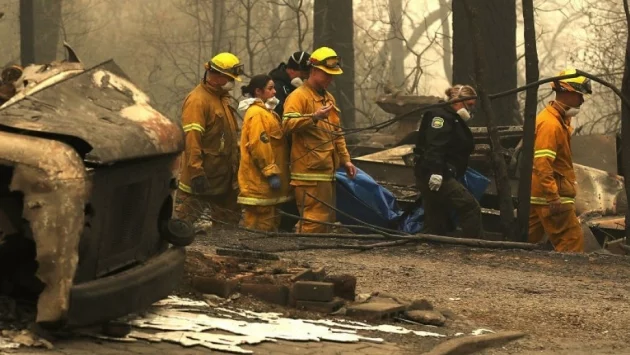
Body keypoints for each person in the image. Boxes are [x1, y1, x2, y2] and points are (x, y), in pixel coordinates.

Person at [282, 46, 357, 233]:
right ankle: (304, 257)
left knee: (325, 220)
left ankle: (315, 258)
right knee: (312, 221)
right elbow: (287, 125)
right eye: (326, 74)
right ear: (313, 70)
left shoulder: (328, 98)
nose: (330, 79)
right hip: (308, 174)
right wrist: (313, 117)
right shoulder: (298, 96)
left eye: (332, 75)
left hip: (326, 171)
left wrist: (345, 160)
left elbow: (336, 133)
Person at [174, 52, 244, 228]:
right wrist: (196, 172)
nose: (232, 82)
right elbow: (192, 139)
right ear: (216, 75)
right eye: (229, 78)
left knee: (227, 226)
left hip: (223, 178)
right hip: (202, 178)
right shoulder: (197, 101)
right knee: (181, 225)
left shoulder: (221, 99)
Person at [528, 68, 591, 253]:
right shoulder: (550, 124)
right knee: (572, 244)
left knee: (525, 244)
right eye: (580, 95)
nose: (582, 100)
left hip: (539, 196)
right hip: (552, 197)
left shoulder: (558, 120)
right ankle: (568, 281)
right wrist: (553, 196)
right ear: (567, 92)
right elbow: (543, 163)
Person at [413, 84, 482, 238]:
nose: (471, 110)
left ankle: (435, 247)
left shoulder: (452, 118)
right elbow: (435, 146)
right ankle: (476, 245)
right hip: (436, 174)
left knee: (437, 215)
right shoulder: (441, 117)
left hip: (438, 172)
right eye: (469, 105)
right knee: (469, 207)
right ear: (457, 101)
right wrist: (436, 173)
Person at [236, 74, 292, 231]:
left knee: (270, 226)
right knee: (260, 228)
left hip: (267, 188)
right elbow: (259, 145)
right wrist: (270, 172)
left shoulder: (268, 113)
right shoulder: (257, 114)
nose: (274, 92)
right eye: (270, 88)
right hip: (260, 184)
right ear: (258, 91)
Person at [269, 51, 311, 117]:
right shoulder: (276, 87)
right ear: (292, 70)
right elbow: (280, 113)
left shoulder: (295, 86)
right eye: (304, 74)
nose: (306, 77)